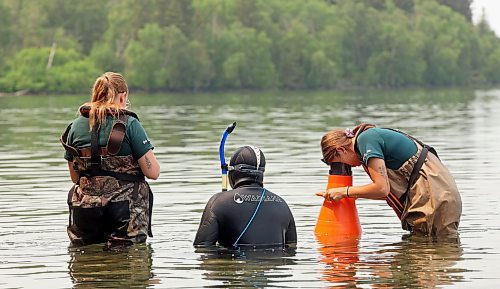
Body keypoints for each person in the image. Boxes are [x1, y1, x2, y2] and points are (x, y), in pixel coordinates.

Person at [60, 72, 160, 247]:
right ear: (123, 96)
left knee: (87, 266)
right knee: (130, 265)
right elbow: (153, 172)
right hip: (125, 212)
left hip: (85, 209)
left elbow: (75, 178)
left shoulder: (75, 126)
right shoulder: (129, 124)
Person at [316, 123, 462, 237]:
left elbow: (381, 188)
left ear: (341, 150)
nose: (346, 167)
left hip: (434, 195)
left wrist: (345, 191)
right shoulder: (368, 138)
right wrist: (348, 195)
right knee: (435, 251)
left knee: (430, 257)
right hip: (438, 192)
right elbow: (384, 193)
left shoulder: (365, 140)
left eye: (338, 162)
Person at [194, 146, 297, 248]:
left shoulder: (219, 202)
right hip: (273, 263)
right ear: (262, 174)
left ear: (232, 173)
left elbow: (202, 248)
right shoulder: (282, 204)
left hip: (233, 263)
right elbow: (292, 248)